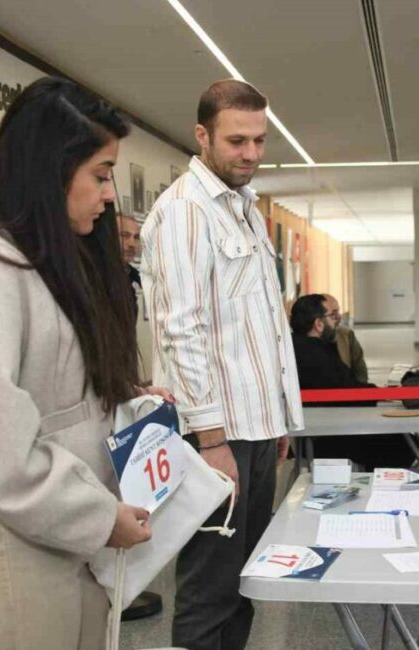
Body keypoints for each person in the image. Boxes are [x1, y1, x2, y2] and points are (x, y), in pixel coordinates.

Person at [0, 77, 159, 648]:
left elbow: (57, 401)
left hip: (63, 539)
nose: (109, 195)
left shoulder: (40, 265)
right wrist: (97, 516)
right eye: (100, 174)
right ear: (50, 168)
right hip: (9, 554)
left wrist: (129, 404)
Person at [141, 78, 304, 650]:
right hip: (214, 434)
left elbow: (262, 326)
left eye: (259, 140)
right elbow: (180, 329)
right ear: (203, 136)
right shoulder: (185, 211)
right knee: (210, 585)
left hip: (254, 428)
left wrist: (278, 419)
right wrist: (211, 439)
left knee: (245, 579)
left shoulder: (245, 209)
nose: (251, 153)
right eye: (237, 141)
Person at [290, 294, 413, 470]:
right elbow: (345, 390)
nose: (337, 321)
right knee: (401, 444)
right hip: (324, 436)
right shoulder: (316, 354)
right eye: (332, 316)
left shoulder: (296, 348)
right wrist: (382, 394)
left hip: (318, 430)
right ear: (318, 324)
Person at [323, 293, 368, 384]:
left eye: (338, 312)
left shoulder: (347, 336)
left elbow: (361, 376)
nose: (338, 317)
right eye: (333, 314)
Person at [118, 212, 143, 318]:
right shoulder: (91, 276)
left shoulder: (136, 276)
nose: (132, 244)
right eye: (125, 235)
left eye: (136, 237)